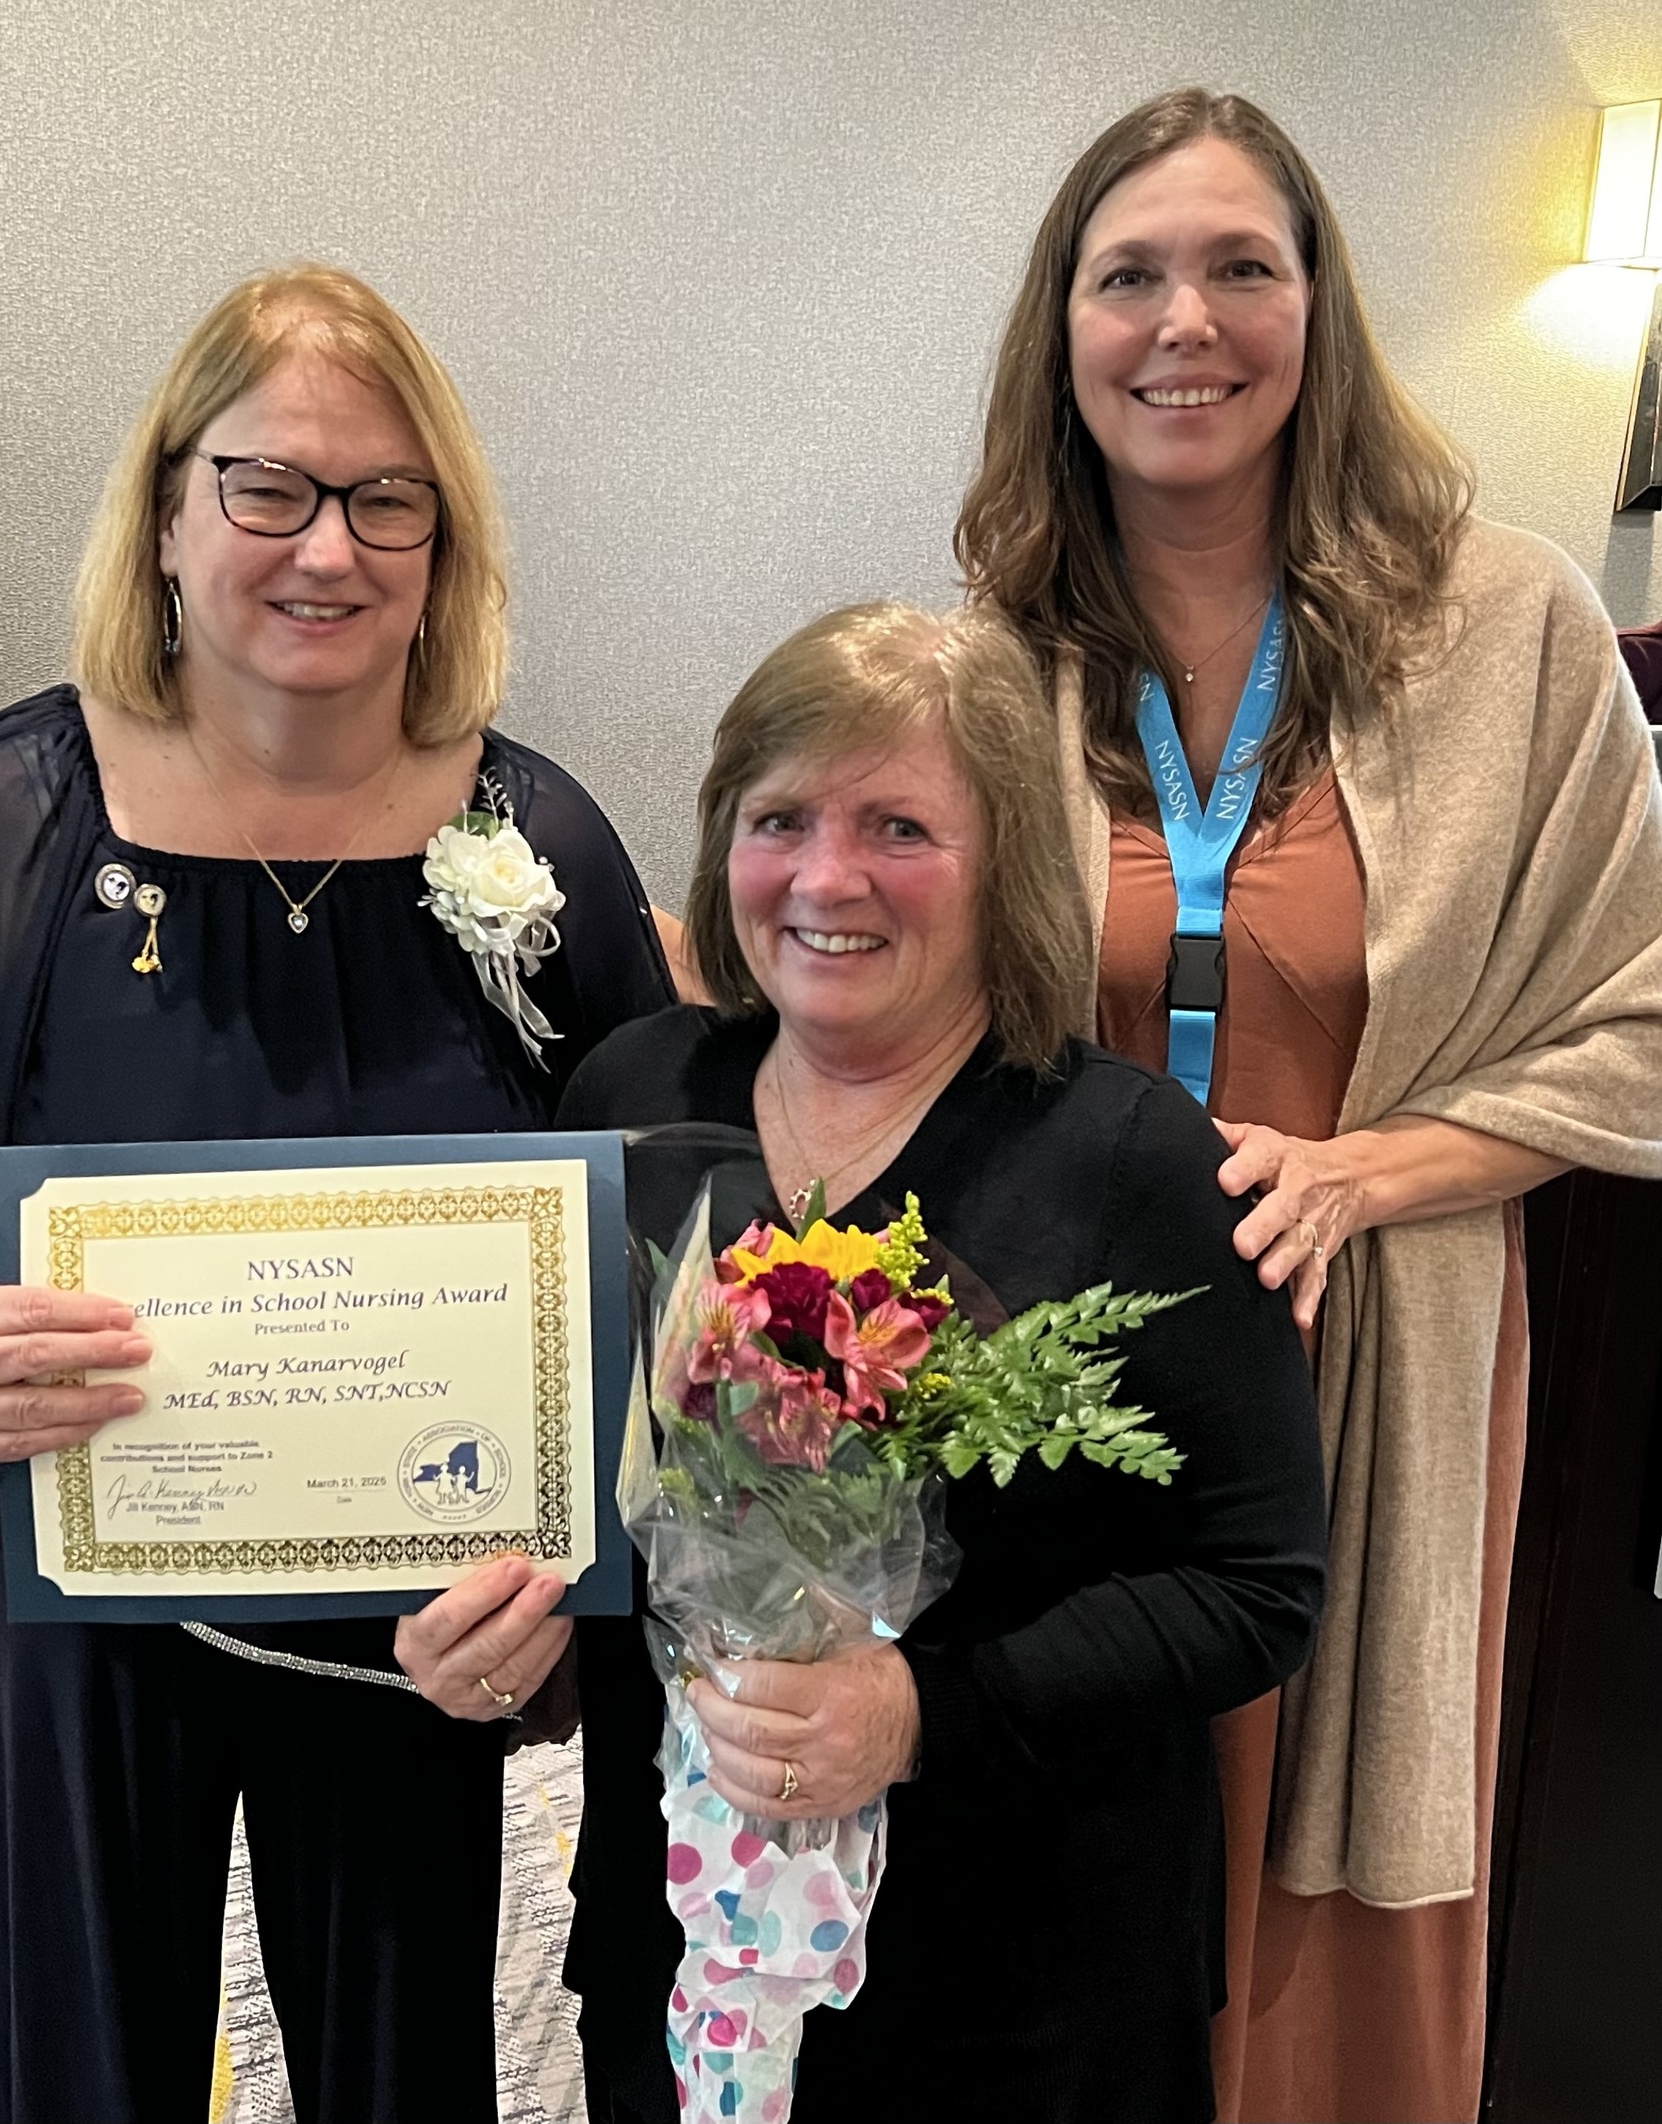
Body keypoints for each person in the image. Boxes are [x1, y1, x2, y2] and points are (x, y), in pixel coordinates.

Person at [0, 263, 671, 2124]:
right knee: (88, 2058)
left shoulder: (534, 839)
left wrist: (571, 1582)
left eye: (383, 498)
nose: (325, 548)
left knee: (410, 2065)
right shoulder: (3, 823)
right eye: (266, 486)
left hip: (428, 1609)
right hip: (75, 1605)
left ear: (443, 542)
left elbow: (645, 1236)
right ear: (171, 514)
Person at [954, 88, 1662, 2122]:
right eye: (1128, 277)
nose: (1183, 322)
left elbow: (1636, 1013)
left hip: (1364, 1343)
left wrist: (1364, 1172)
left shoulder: (1500, 625)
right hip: (1055, 1372)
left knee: (1323, 1887)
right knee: (1066, 1848)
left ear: (1315, 312)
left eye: (1237, 267)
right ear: (1061, 333)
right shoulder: (988, 650)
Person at [552, 599, 1330, 2121]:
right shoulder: (629, 1096)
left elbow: (1258, 1587)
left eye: (899, 827)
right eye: (780, 819)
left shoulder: (1129, 1160)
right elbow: (583, 1476)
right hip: (686, 1933)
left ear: (1005, 870)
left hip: (1030, 1971)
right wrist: (519, 1632)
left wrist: (921, 1713)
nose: (828, 878)